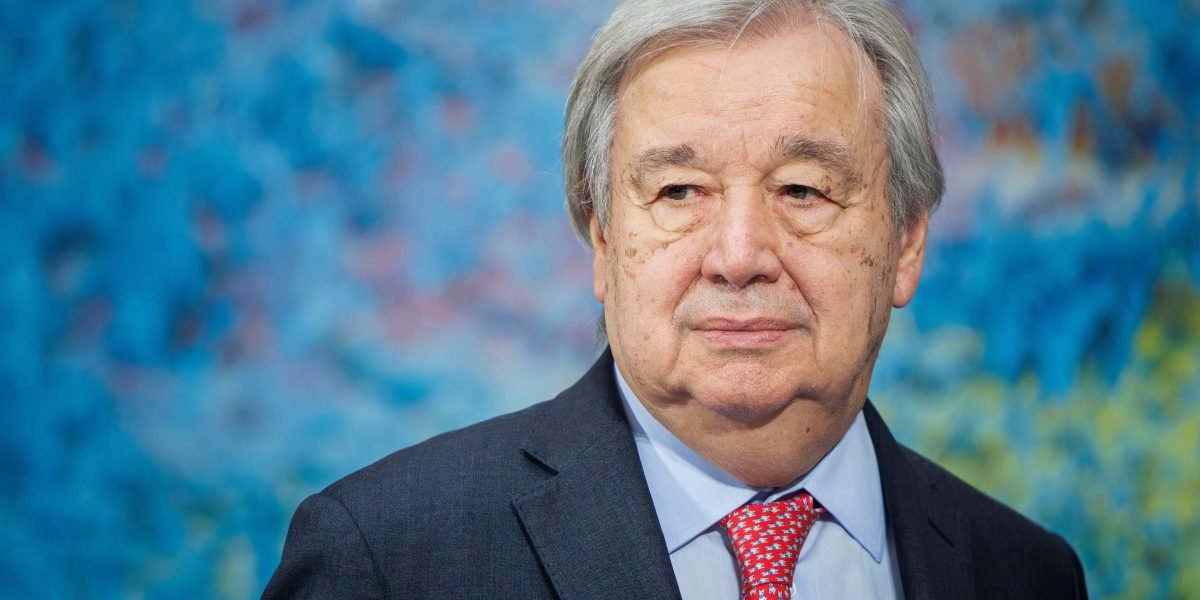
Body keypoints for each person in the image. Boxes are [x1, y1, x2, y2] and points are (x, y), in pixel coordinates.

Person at [263, 0, 1088, 598]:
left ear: (907, 241)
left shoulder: (1024, 573)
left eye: (803, 190)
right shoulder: (387, 558)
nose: (738, 257)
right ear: (604, 239)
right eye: (679, 190)